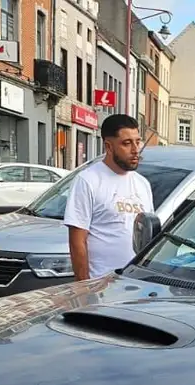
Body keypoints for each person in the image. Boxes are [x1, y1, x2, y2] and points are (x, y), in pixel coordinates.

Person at [64, 113, 154, 280]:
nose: (135, 150)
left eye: (137, 142)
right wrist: (85, 286)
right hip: (100, 283)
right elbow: (77, 241)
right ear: (109, 146)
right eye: (127, 143)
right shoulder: (88, 180)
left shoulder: (142, 184)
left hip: (136, 283)